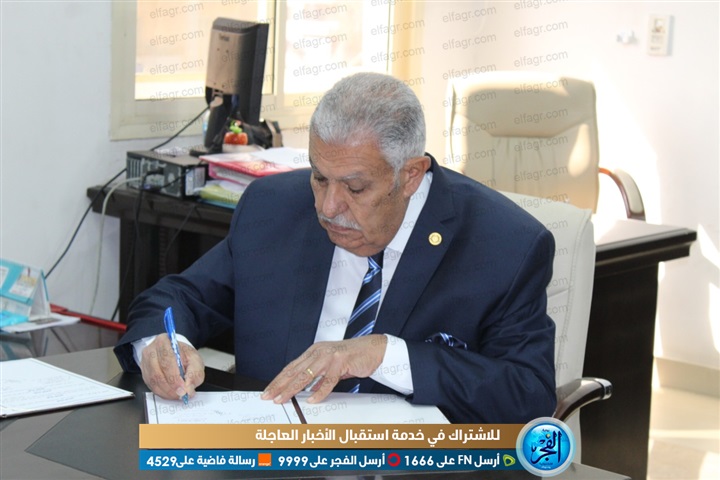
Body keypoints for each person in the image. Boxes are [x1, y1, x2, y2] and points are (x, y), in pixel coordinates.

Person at [114, 72, 556, 423]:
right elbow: (179, 297)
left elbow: (528, 394)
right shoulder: (274, 208)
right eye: (319, 177)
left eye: (355, 188)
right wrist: (160, 344)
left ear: (410, 176)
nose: (328, 207)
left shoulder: (504, 245)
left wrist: (385, 355)